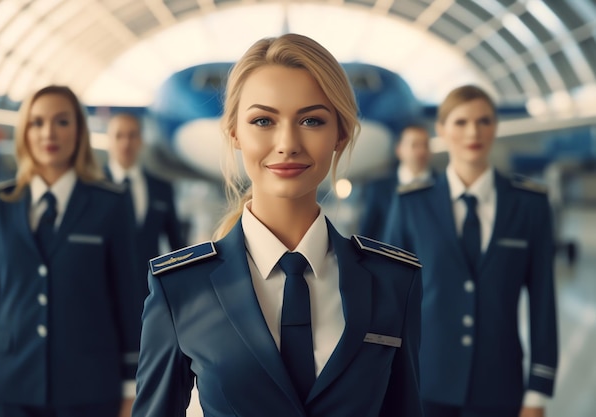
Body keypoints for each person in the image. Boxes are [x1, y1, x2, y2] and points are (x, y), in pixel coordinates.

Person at [132, 33, 423, 417]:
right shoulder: (180, 288)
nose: (287, 143)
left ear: (342, 133)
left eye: (311, 120)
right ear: (234, 133)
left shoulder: (394, 282)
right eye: (263, 120)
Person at [384, 85, 558, 417]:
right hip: (426, 381)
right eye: (461, 122)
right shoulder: (411, 203)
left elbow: (543, 302)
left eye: (484, 121)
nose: (473, 132)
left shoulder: (529, 205)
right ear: (442, 130)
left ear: (495, 127)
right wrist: (388, 379)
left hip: (500, 385)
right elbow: (393, 299)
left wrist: (537, 391)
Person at [0, 86, 141, 417]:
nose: (48, 132)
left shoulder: (111, 205)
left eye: (61, 122)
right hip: (8, 386)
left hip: (91, 387)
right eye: (37, 122)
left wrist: (131, 387)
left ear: (79, 130)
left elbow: (129, 301)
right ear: (24, 132)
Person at [104, 113, 187, 306]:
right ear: (109, 141)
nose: (126, 143)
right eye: (119, 136)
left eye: (132, 135)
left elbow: (176, 243)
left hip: (149, 293)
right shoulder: (90, 188)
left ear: (141, 141)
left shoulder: (161, 189)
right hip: (103, 294)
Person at [359, 123, 432, 238]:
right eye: (414, 145)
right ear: (399, 150)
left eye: (425, 145)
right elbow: (366, 234)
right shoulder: (379, 188)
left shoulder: (441, 185)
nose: (421, 151)